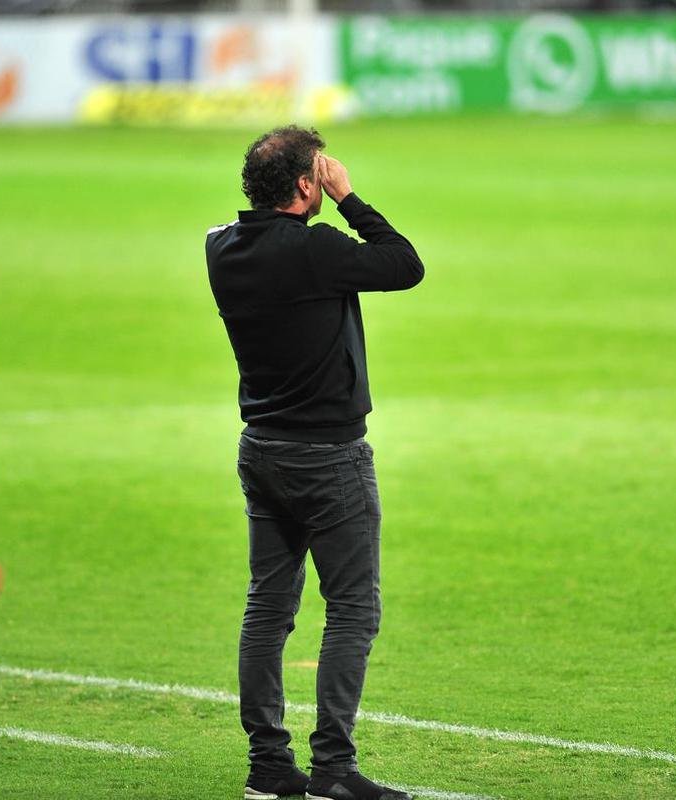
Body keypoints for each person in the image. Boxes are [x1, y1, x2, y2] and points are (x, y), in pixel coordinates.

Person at [205, 125, 424, 800]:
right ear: (306, 185)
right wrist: (348, 196)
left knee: (267, 611)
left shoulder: (218, 246)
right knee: (353, 610)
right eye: (318, 175)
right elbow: (402, 264)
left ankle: (269, 769)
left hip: (261, 449)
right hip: (329, 457)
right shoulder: (315, 248)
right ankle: (332, 768)